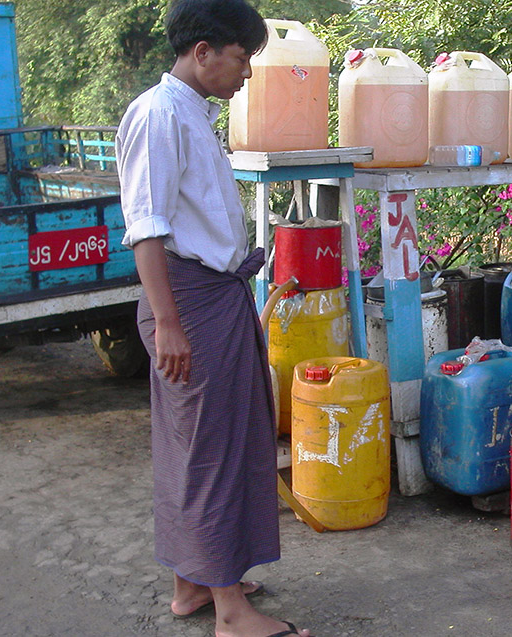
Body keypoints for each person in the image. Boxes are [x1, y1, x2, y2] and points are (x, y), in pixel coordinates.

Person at [115, 1, 309, 635]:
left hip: (209, 298)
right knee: (212, 450)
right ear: (203, 52)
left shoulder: (191, 113)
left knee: (200, 444)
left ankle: (193, 584)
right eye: (242, 57)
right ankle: (231, 611)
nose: (248, 72)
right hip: (188, 303)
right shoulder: (158, 114)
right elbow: (146, 228)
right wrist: (169, 322)